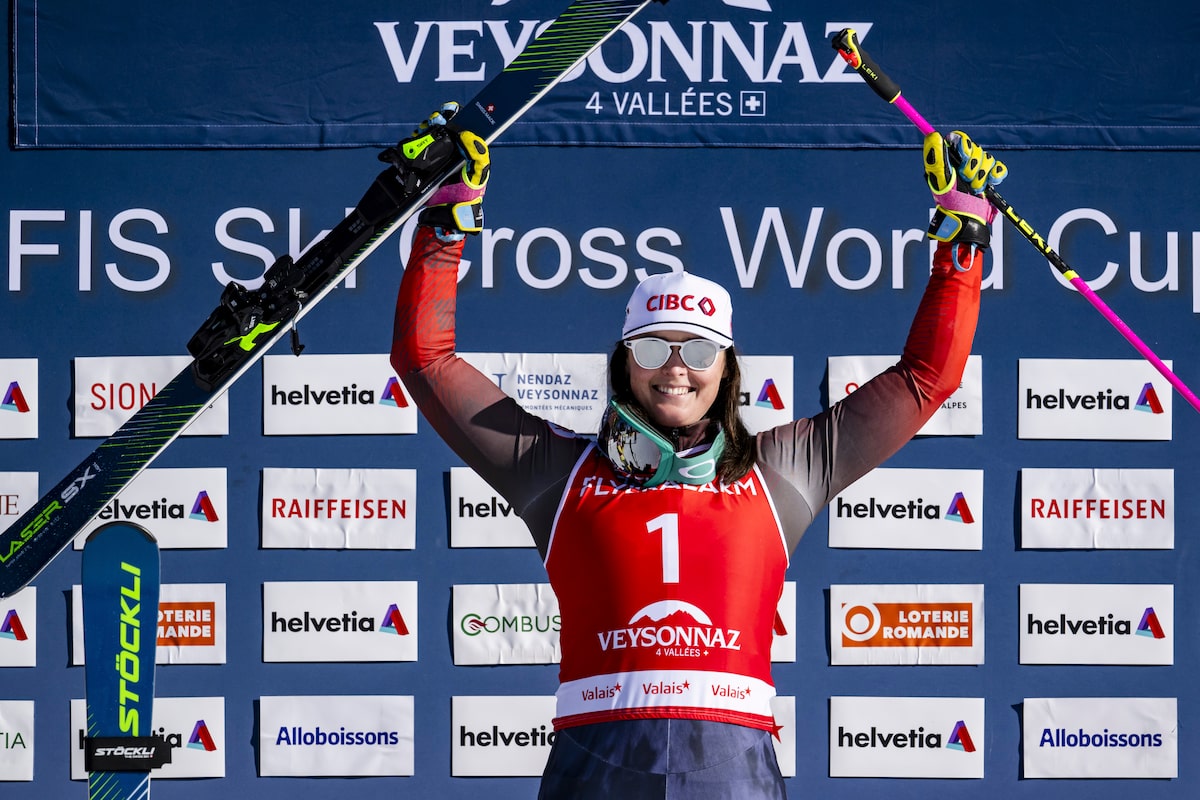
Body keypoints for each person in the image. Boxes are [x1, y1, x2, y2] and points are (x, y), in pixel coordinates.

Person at [390, 103, 1006, 799]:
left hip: (733, 769)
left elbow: (926, 379)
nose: (676, 369)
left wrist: (963, 239)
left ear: (728, 368)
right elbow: (425, 360)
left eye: (700, 350)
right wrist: (445, 223)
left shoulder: (782, 470)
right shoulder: (557, 469)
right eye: (653, 348)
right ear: (625, 363)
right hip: (596, 766)